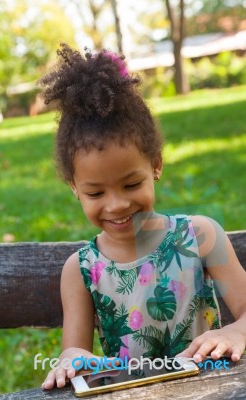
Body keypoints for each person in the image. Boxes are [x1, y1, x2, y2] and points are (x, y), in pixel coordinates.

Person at [39, 43, 246, 390]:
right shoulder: (81, 270)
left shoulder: (201, 236)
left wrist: (236, 330)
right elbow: (74, 351)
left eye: (132, 183)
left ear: (156, 165)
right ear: (73, 187)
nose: (117, 204)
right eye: (95, 193)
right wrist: (73, 360)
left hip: (215, 388)